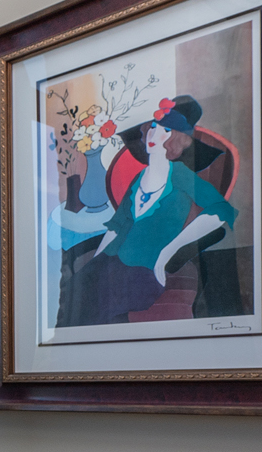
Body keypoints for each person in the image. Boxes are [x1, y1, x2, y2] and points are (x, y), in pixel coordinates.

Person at [67, 96, 238, 324]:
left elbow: (221, 211)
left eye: (165, 130)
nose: (153, 135)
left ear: (176, 140)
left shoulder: (180, 175)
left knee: (93, 313)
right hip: (111, 262)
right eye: (153, 128)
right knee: (71, 300)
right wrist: (94, 265)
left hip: (143, 271)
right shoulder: (139, 178)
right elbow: (116, 227)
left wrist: (169, 251)